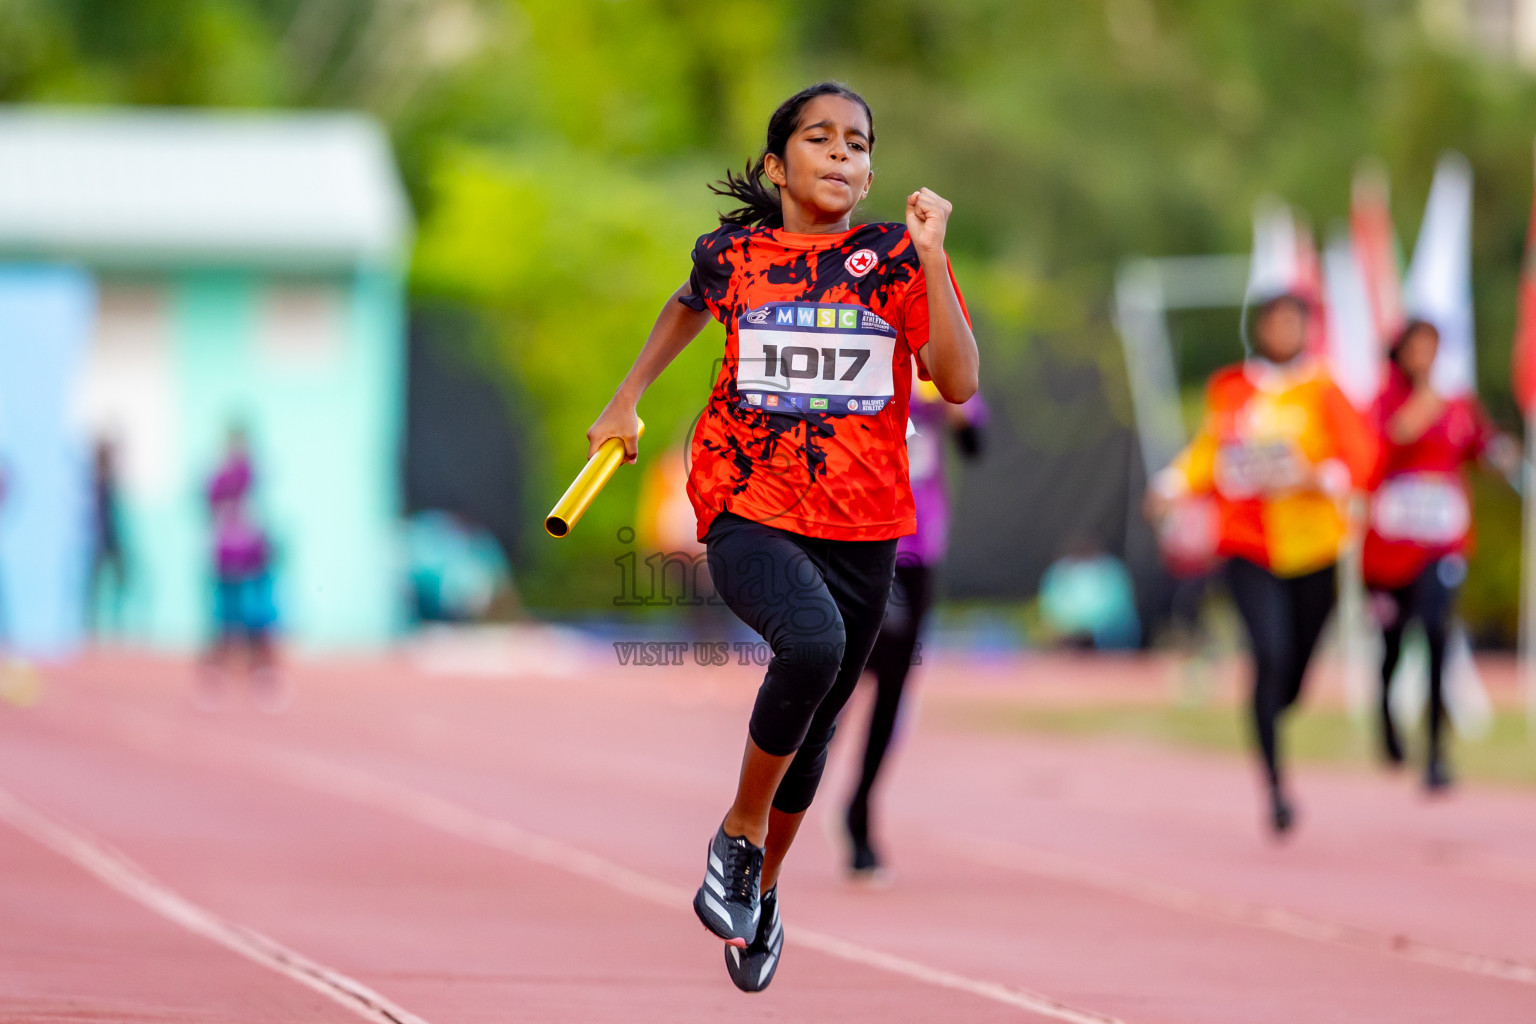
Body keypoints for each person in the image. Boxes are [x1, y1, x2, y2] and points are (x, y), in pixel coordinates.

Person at [584, 82, 979, 992]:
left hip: (868, 524)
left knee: (817, 728)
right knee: (813, 642)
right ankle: (737, 835)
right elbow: (688, 303)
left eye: (859, 143)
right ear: (777, 165)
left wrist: (934, 257)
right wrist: (625, 399)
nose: (844, 155)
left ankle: (757, 891)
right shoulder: (736, 253)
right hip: (747, 503)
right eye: (821, 138)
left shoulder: (894, 259)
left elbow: (955, 382)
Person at [1147, 291, 1376, 836]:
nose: (1283, 331)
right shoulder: (1232, 387)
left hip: (1314, 546)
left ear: (1307, 330)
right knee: (1269, 657)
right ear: (1260, 328)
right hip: (1247, 543)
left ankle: (1279, 702)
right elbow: (1209, 451)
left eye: (1293, 322)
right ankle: (1275, 787)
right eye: (1274, 321)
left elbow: (1360, 460)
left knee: (1293, 673)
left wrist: (1316, 476)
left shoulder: (1324, 389)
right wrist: (1173, 486)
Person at [1363, 319, 1518, 792]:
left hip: (1442, 542)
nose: (1424, 357)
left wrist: (1501, 452)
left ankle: (1436, 753)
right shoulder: (1383, 403)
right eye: (1416, 348)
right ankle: (1386, 715)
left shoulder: (1457, 406)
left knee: (1436, 633)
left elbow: (1481, 448)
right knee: (1392, 644)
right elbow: (1371, 452)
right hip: (1390, 548)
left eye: (1432, 347)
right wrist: (1413, 415)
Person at [843, 381, 985, 882]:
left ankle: (860, 810)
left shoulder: (934, 366)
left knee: (892, 684)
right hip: (845, 534)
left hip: (913, 547)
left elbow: (974, 446)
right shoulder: (855, 345)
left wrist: (955, 409)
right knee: (832, 673)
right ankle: (787, 791)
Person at [199, 426, 283, 712]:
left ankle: (263, 678)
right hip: (227, 556)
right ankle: (215, 677)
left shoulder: (251, 472)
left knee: (259, 619)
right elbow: (209, 507)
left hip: (252, 555)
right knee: (226, 619)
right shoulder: (222, 476)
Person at [88, 439, 127, 637]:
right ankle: (94, 625)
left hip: (107, 538)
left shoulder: (103, 480)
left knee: (110, 581)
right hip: (104, 538)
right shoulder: (99, 481)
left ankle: (103, 623)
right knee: (98, 584)